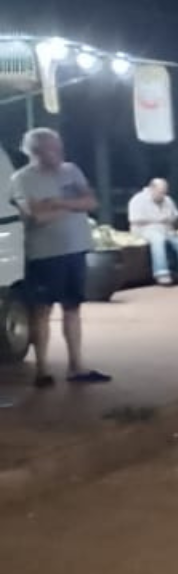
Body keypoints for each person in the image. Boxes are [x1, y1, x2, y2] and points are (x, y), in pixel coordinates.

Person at [8, 128, 110, 387]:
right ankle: (42, 370)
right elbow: (36, 217)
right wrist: (72, 204)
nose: (59, 152)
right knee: (41, 311)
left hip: (75, 249)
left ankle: (77, 366)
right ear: (36, 151)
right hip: (44, 254)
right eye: (52, 148)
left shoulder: (71, 170)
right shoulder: (21, 179)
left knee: (73, 308)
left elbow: (90, 202)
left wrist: (57, 203)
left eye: (59, 146)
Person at [126, 177, 178, 285]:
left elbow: (176, 216)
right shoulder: (137, 200)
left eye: (164, 192)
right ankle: (161, 273)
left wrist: (173, 220)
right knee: (158, 239)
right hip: (144, 230)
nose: (162, 195)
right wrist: (157, 220)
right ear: (151, 189)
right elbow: (134, 220)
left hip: (167, 231)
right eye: (160, 193)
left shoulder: (168, 200)